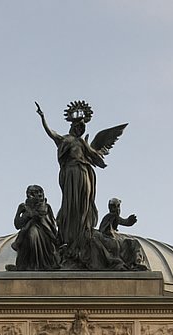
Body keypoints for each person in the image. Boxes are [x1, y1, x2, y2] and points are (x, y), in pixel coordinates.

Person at [35, 101, 126, 268]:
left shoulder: (82, 143)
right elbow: (51, 133)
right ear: (73, 126)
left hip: (84, 174)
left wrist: (99, 159)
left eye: (81, 128)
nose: (79, 130)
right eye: (77, 127)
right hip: (70, 174)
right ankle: (69, 239)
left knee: (83, 206)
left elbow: (94, 154)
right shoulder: (65, 140)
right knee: (70, 204)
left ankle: (83, 235)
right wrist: (43, 118)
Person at [10, 185, 59, 271]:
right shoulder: (24, 207)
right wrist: (18, 213)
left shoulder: (45, 206)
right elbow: (18, 225)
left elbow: (43, 219)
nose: (39, 196)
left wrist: (29, 212)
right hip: (30, 231)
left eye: (40, 193)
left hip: (44, 233)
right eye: (32, 194)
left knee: (32, 233)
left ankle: (38, 265)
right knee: (30, 233)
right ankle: (26, 266)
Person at [96, 198, 146, 270]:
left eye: (118, 206)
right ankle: (136, 262)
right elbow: (124, 222)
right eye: (114, 206)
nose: (116, 209)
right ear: (110, 207)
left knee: (132, 243)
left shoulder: (110, 216)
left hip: (111, 238)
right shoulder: (111, 215)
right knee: (133, 243)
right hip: (108, 239)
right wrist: (128, 221)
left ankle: (136, 262)